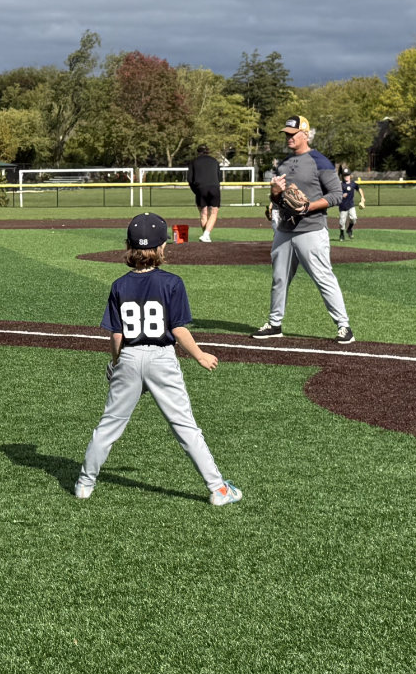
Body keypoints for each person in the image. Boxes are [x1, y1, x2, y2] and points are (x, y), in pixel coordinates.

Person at [75, 212, 241, 506]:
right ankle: (218, 489)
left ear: (129, 246)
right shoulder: (172, 282)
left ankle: (84, 484)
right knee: (185, 427)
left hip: (129, 357)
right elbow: (177, 328)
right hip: (161, 359)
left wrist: (115, 362)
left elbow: (116, 336)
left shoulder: (119, 285)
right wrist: (200, 355)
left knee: (109, 426)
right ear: (162, 246)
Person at [252, 116, 353, 344]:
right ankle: (274, 324)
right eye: (286, 133)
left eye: (293, 133)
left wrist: (309, 207)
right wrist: (275, 194)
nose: (288, 137)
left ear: (305, 135)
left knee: (322, 277)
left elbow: (337, 194)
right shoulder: (284, 164)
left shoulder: (320, 161)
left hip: (311, 230)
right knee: (279, 278)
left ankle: (344, 326)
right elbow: (277, 200)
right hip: (285, 230)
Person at [186, 144, 222, 242]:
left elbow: (189, 179)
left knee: (203, 213)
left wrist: (196, 191)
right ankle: (206, 235)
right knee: (214, 212)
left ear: (198, 152)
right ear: (208, 151)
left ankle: (205, 235)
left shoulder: (194, 162)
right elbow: (220, 178)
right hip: (214, 188)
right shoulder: (215, 161)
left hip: (200, 188)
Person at [338, 171, 366, 240]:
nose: (346, 177)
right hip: (343, 206)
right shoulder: (340, 185)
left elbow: (359, 189)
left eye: (347, 175)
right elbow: (336, 193)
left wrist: (362, 197)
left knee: (354, 218)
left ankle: (349, 229)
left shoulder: (353, 184)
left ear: (350, 176)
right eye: (345, 175)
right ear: (342, 177)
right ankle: (341, 234)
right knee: (342, 222)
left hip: (351, 205)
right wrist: (341, 195)